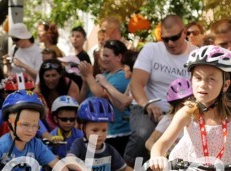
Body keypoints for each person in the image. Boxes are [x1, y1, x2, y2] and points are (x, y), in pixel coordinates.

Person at [125, 15, 197, 162]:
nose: (170, 43)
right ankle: (130, 169)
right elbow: (136, 83)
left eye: (174, 38)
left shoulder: (195, 54)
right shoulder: (151, 50)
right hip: (147, 107)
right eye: (165, 39)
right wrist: (147, 104)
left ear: (184, 32)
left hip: (180, 110)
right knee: (143, 134)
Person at [79, 40, 132, 155]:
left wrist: (89, 76)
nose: (103, 59)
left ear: (119, 57)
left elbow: (101, 96)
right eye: (102, 55)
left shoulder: (123, 76)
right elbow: (82, 99)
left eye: (107, 56)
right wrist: (85, 81)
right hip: (99, 133)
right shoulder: (104, 76)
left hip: (117, 133)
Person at [145, 78, 193, 152]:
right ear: (174, 107)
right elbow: (149, 142)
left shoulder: (199, 120)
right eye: (182, 105)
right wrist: (160, 154)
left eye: (190, 104)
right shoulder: (168, 120)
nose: (186, 108)